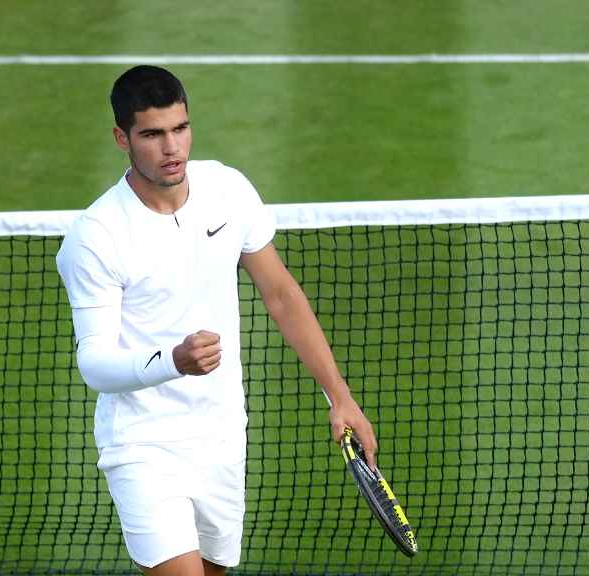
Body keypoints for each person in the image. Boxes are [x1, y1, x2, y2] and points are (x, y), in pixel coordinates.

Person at [55, 65, 377, 576]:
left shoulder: (227, 189)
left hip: (223, 435)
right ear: (122, 138)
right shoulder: (96, 237)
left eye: (180, 129)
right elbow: (94, 364)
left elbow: (282, 295)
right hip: (144, 443)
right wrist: (173, 361)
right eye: (153, 134)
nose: (171, 148)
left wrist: (340, 396)